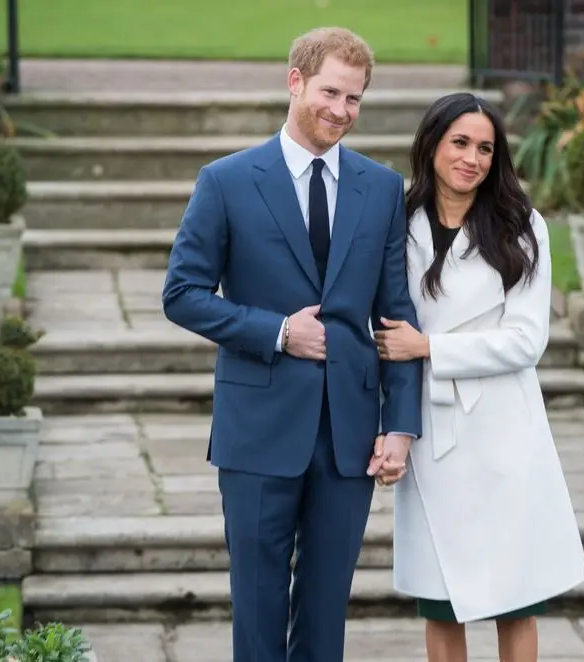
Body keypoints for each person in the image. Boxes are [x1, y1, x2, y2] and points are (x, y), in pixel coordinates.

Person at [161, 27, 423, 662]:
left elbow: (397, 316)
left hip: (350, 433)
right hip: (257, 426)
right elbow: (182, 292)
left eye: (355, 99)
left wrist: (402, 425)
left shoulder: (382, 188)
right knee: (256, 603)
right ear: (296, 81)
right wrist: (277, 332)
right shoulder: (225, 181)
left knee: (327, 605)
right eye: (331, 92)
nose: (340, 111)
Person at [373, 93, 584, 662]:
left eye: (485, 148)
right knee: (439, 597)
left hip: (501, 432)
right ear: (433, 144)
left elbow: (526, 341)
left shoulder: (521, 225)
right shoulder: (397, 221)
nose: (472, 158)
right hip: (431, 430)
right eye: (460, 143)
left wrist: (429, 347)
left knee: (513, 597)